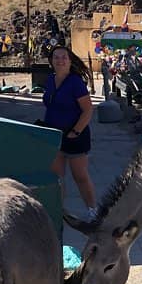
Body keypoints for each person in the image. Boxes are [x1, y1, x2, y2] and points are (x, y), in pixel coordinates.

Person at [43, 46, 97, 221]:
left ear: (70, 60)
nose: (60, 60)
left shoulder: (75, 82)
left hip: (75, 135)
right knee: (56, 178)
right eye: (56, 57)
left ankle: (92, 210)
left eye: (64, 57)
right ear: (51, 61)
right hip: (54, 134)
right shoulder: (50, 80)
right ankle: (58, 211)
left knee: (80, 176)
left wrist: (76, 131)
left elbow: (87, 110)